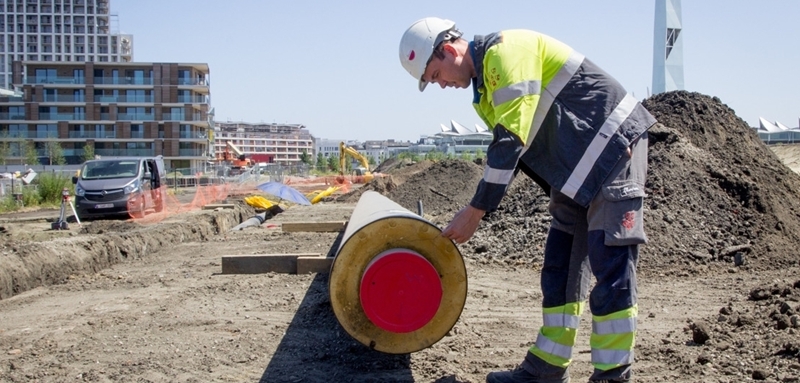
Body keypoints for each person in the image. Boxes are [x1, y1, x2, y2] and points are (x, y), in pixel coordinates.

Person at [398, 18, 656, 383]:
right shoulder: (485, 90)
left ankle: (613, 376)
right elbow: (516, 153)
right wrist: (479, 207)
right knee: (560, 266)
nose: (440, 84)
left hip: (614, 151)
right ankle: (547, 369)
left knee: (610, 266)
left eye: (436, 73)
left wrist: (476, 210)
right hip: (575, 169)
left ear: (449, 48)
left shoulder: (506, 53)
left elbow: (510, 142)